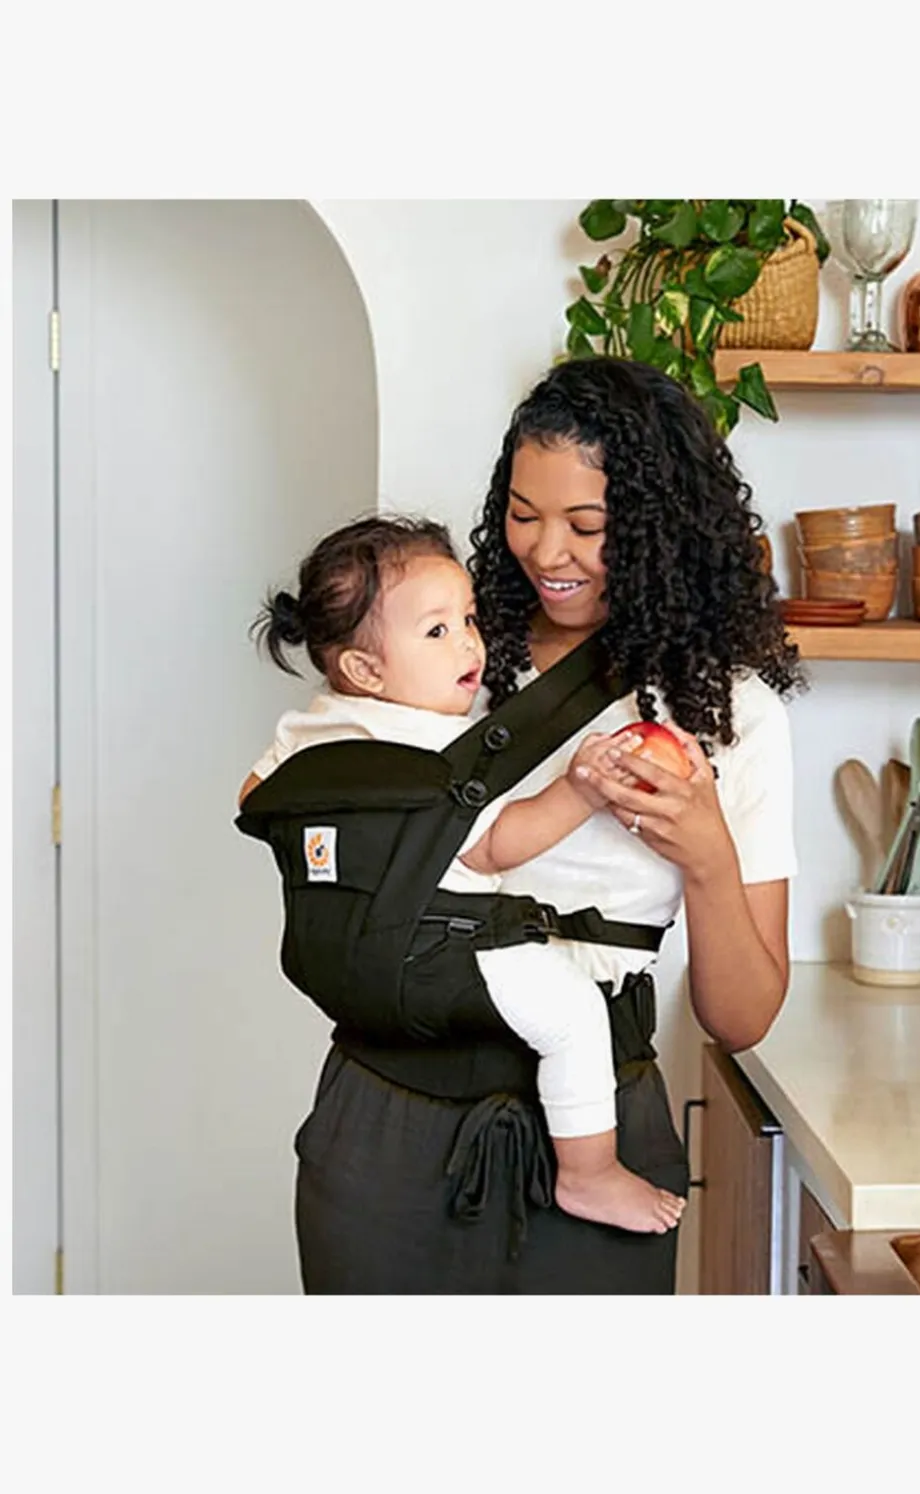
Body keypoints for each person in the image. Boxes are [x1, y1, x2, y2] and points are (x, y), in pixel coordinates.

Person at [246, 355, 801, 1295]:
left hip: (600, 1118)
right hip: (389, 1116)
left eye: (587, 526)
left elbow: (741, 1020)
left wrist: (708, 856)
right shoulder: (443, 653)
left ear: (659, 525)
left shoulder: (730, 714)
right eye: (522, 513)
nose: (546, 553)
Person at [242, 514, 687, 1235]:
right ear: (366, 670)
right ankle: (590, 1174)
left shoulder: (309, 728)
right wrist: (580, 790)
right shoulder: (435, 745)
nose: (469, 643)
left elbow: (256, 799)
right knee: (576, 1016)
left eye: (469, 620)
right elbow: (495, 846)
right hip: (445, 952)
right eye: (437, 631)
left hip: (348, 963)